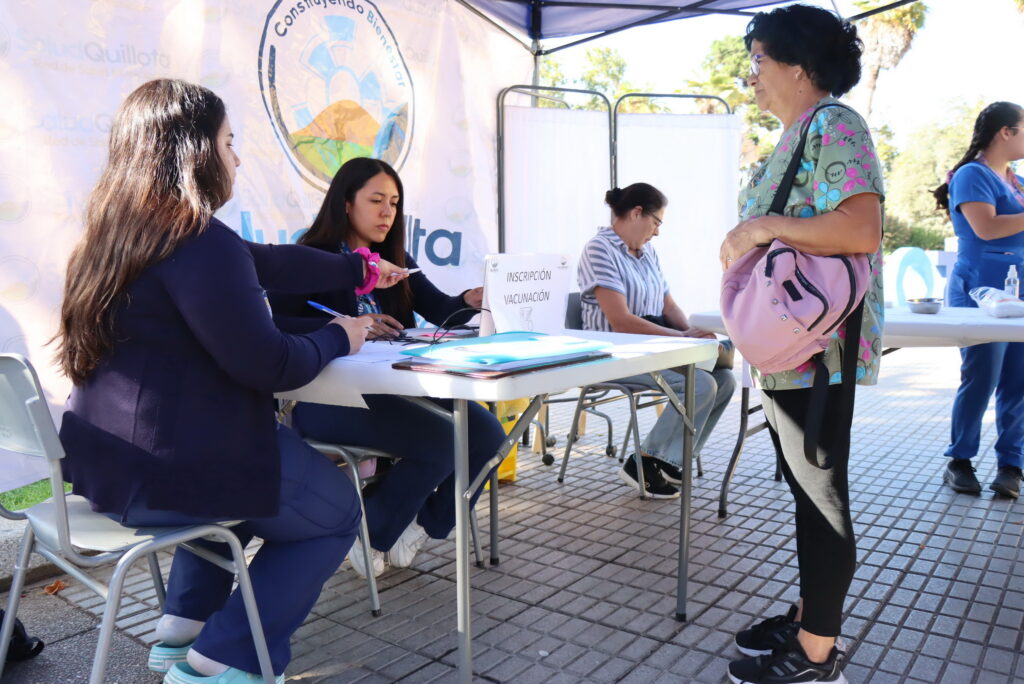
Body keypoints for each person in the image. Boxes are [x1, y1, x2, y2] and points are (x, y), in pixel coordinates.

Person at [54, 79, 409, 684]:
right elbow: (271, 364)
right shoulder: (195, 240)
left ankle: (180, 629)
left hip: (107, 467)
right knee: (334, 514)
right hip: (176, 468)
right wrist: (342, 335)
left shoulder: (114, 236)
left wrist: (359, 267)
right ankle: (219, 661)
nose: (237, 156)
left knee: (256, 501)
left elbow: (268, 260)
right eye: (228, 142)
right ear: (193, 153)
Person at [718, 6, 884, 684]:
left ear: (798, 66)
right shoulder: (798, 133)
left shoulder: (835, 124)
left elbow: (860, 228)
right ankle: (809, 613)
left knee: (820, 495)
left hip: (818, 355)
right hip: (795, 352)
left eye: (759, 60)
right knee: (805, 487)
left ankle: (816, 654)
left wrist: (759, 227)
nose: (752, 75)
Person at [269, 157, 506, 578]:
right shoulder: (310, 257)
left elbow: (438, 307)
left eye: (394, 203)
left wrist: (467, 299)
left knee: (488, 435)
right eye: (376, 200)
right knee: (445, 439)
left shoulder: (393, 256)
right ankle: (374, 531)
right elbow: (281, 326)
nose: (386, 212)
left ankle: (422, 523)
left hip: (397, 390)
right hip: (327, 397)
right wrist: (343, 326)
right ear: (345, 202)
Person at [577, 183, 736, 499]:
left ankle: (666, 461)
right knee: (700, 385)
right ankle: (645, 462)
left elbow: (669, 306)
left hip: (651, 351)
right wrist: (682, 339)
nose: (658, 232)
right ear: (637, 213)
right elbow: (621, 322)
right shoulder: (599, 249)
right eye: (657, 222)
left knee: (725, 379)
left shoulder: (647, 251)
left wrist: (695, 335)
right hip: (612, 355)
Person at [933, 101, 1024, 498]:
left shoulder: (1015, 181)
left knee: (1019, 381)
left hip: (1017, 293)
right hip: (980, 290)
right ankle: (960, 461)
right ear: (1006, 132)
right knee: (982, 375)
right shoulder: (972, 175)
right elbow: (986, 228)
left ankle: (1011, 466)